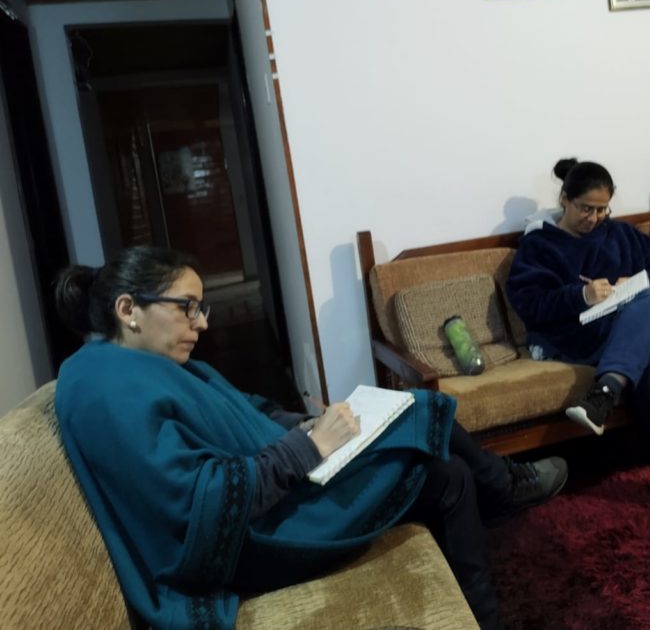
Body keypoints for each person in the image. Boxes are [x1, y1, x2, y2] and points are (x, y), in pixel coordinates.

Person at [53, 246, 567, 630]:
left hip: (275, 492)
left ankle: (497, 507)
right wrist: (310, 446)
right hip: (252, 540)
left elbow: (242, 409)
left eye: (201, 308)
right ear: (128, 309)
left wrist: (300, 424)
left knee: (434, 450)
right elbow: (198, 504)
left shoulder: (137, 364)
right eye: (187, 307)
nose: (200, 323)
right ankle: (503, 488)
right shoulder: (107, 389)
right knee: (434, 446)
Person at [506, 159, 650, 516]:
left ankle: (605, 391)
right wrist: (582, 295)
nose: (594, 218)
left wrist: (634, 283)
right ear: (564, 199)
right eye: (585, 209)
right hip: (582, 335)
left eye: (603, 209)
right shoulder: (540, 245)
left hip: (633, 325)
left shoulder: (620, 234)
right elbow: (531, 305)